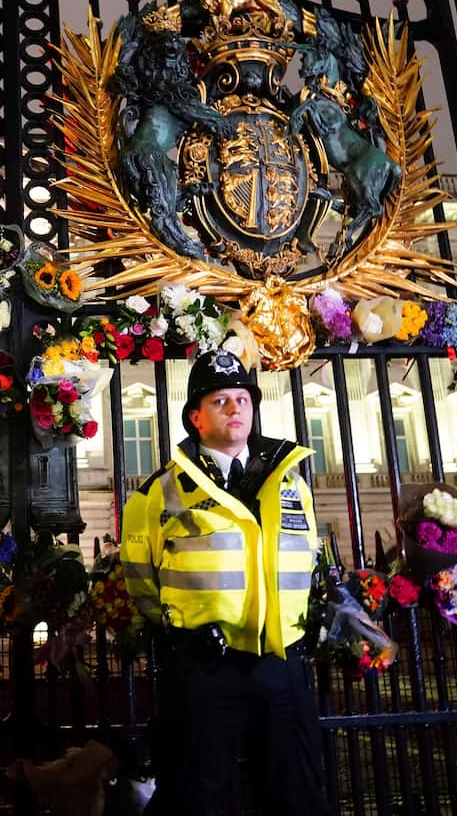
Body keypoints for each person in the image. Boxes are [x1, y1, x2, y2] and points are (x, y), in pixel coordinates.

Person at [120, 349, 328, 815]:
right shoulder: (157, 493)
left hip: (282, 663)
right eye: (221, 401)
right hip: (204, 667)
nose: (236, 409)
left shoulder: (292, 484)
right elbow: (140, 582)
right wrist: (181, 629)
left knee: (296, 793)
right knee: (198, 795)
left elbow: (307, 563)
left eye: (243, 399)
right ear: (195, 417)